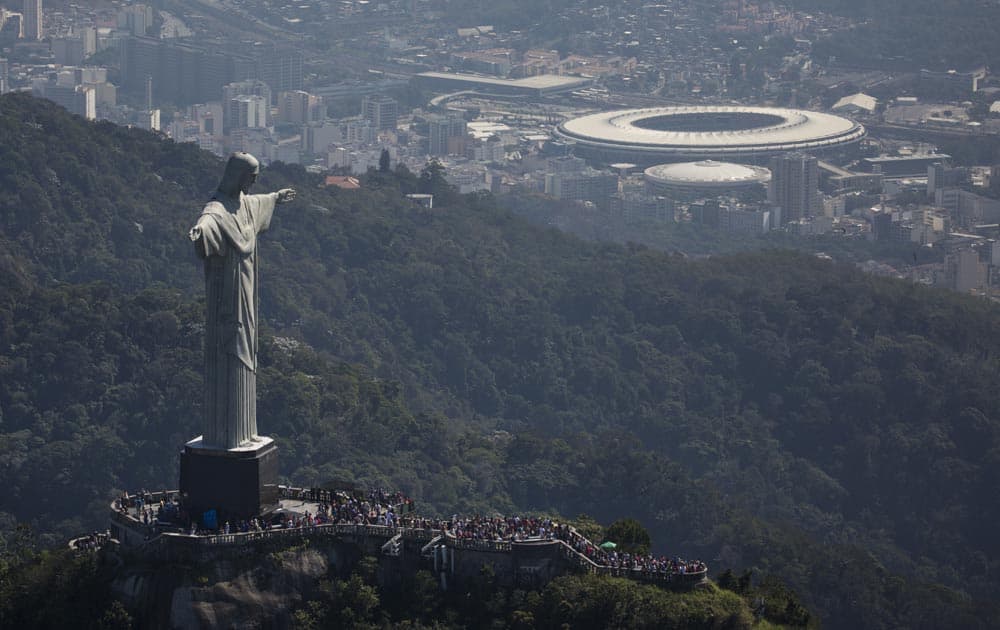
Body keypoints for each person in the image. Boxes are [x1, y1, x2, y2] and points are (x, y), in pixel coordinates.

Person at [189, 153, 296, 449]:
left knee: (247, 353)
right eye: (250, 178)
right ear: (236, 175)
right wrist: (201, 232)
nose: (252, 183)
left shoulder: (245, 205)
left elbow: (259, 202)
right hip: (227, 298)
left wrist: (276, 196)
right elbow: (208, 221)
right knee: (230, 355)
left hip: (246, 293)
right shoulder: (217, 210)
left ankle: (246, 432)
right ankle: (226, 435)